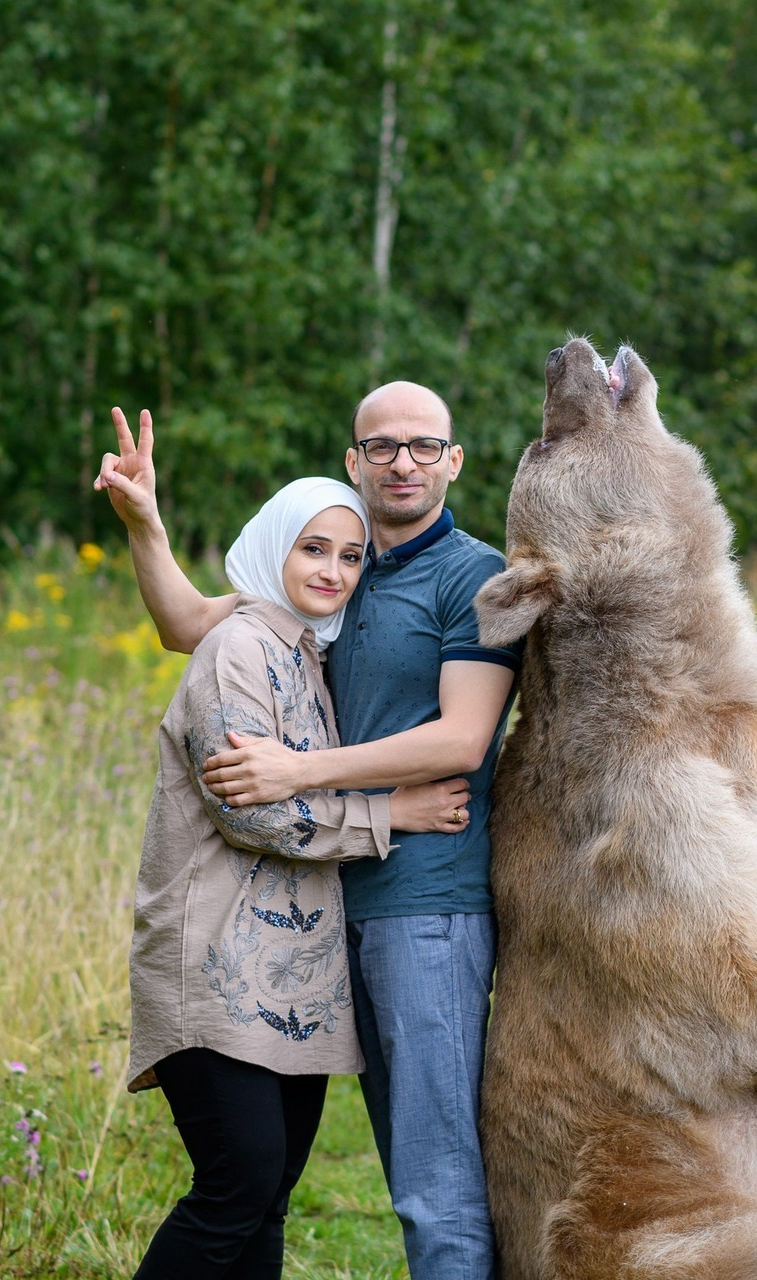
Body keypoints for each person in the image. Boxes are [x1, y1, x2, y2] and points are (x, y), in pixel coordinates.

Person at [97, 386, 520, 1280]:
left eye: (423, 446)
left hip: (423, 905)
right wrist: (145, 520)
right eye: (382, 446)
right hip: (314, 908)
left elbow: (463, 739)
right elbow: (188, 624)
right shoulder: (324, 587)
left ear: (454, 461)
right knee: (260, 1184)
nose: (402, 461)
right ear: (355, 459)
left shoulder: (470, 576)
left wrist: (300, 770)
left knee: (431, 1181)